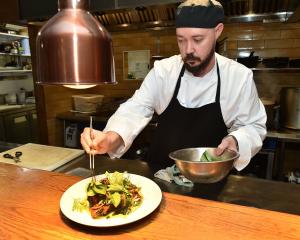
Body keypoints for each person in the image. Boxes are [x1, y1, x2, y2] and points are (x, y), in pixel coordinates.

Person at [81, 0, 267, 171]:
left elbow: (254, 126)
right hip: (160, 177)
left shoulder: (238, 77)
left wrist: (236, 140)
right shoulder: (164, 71)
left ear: (217, 31)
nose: (188, 50)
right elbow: (135, 108)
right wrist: (109, 138)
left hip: (210, 178)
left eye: (198, 39)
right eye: (181, 40)